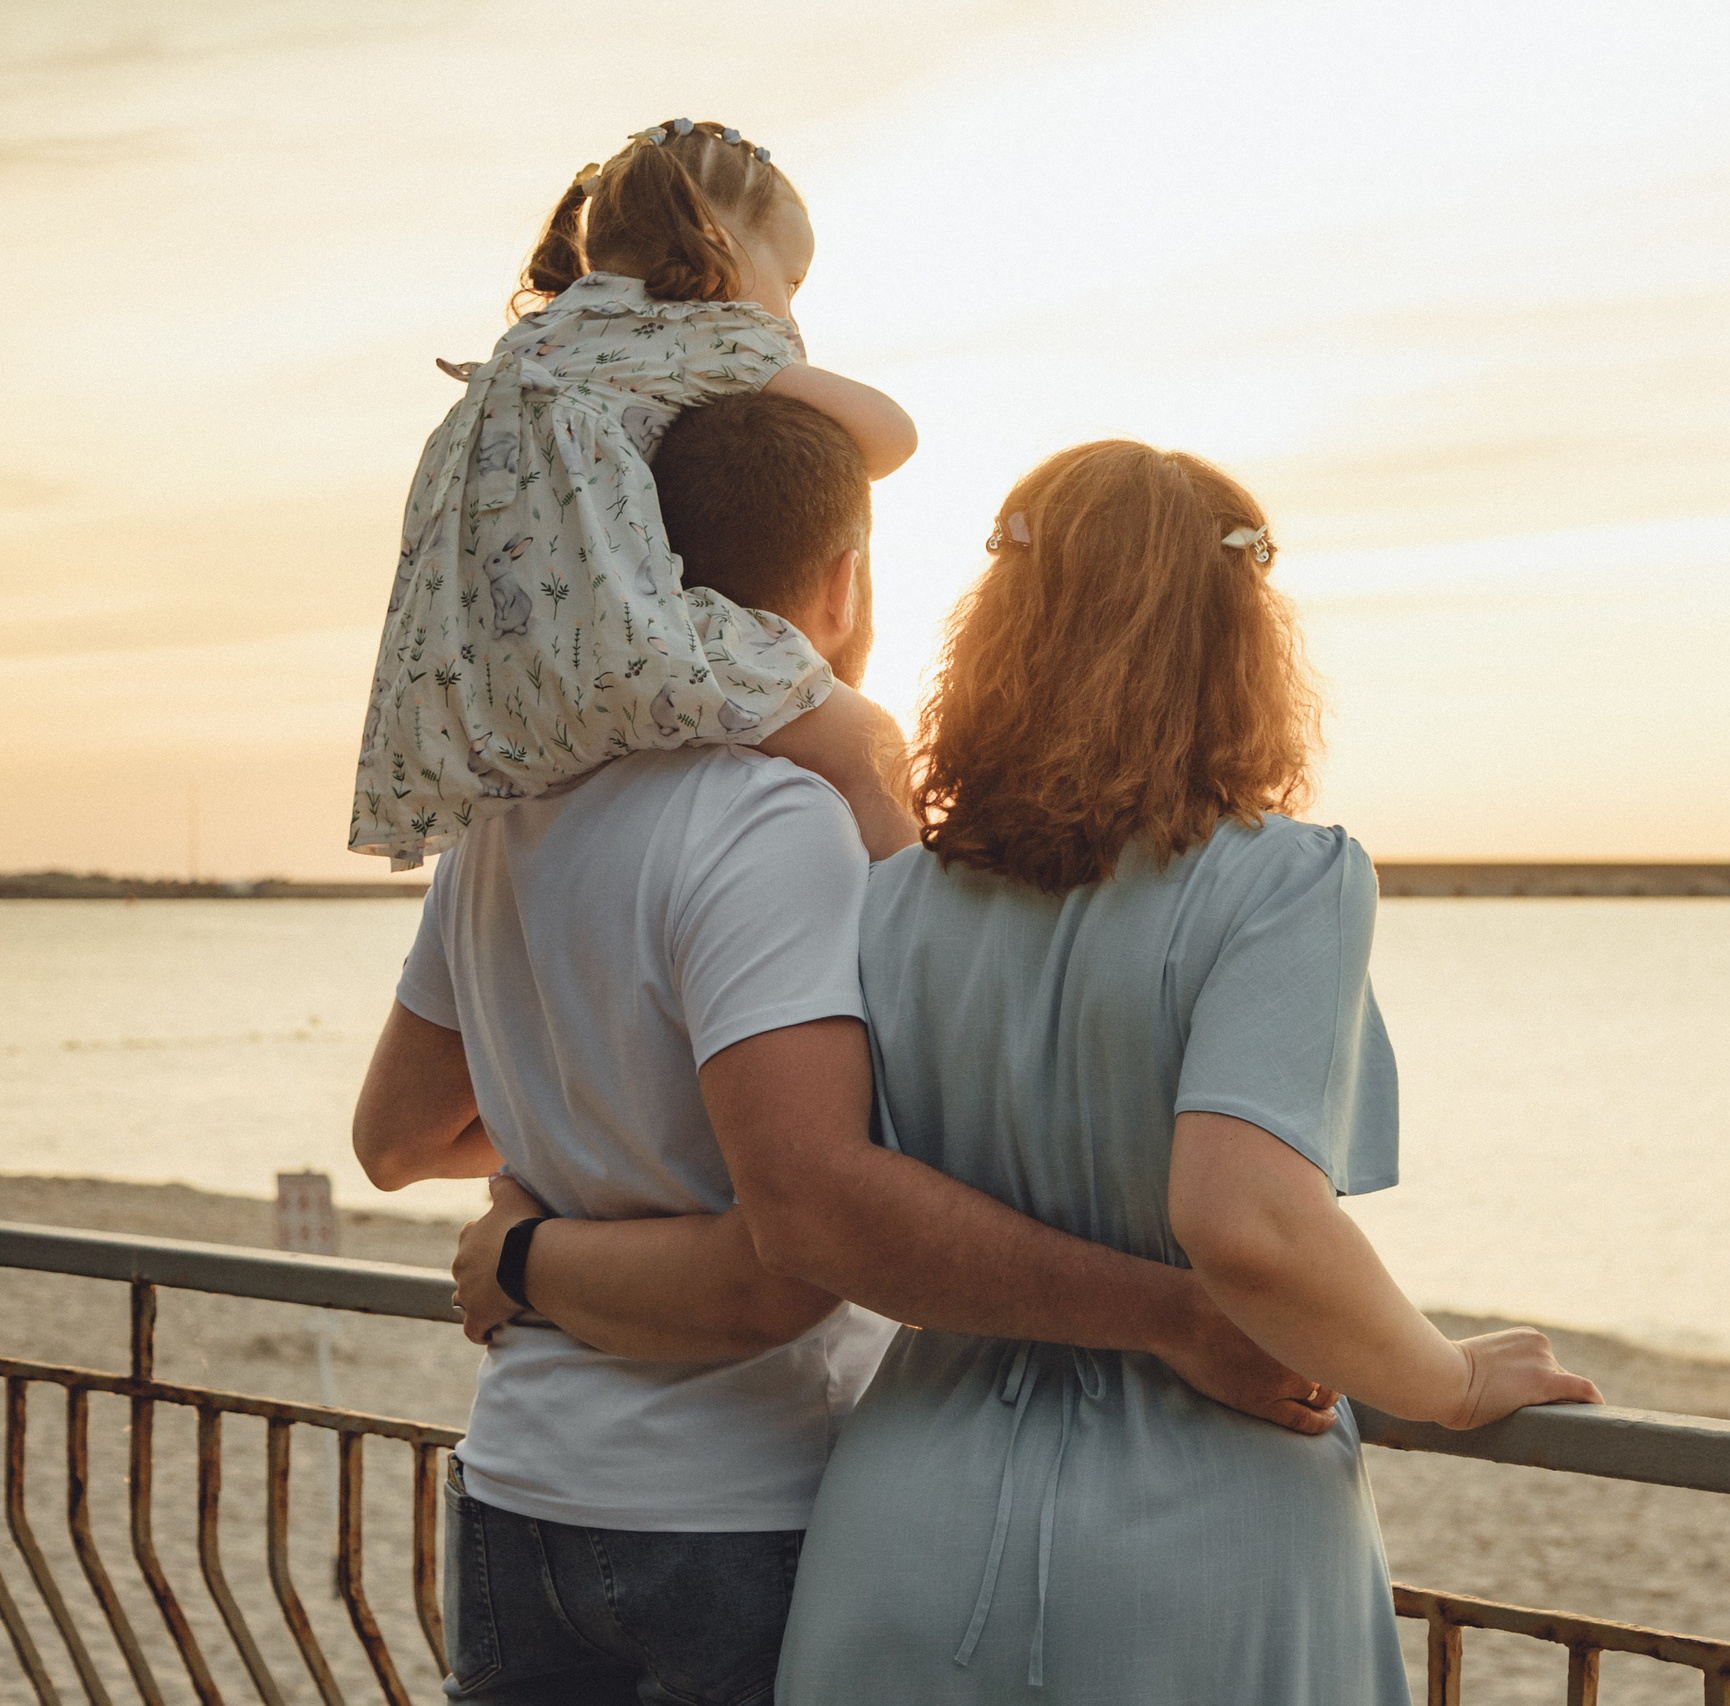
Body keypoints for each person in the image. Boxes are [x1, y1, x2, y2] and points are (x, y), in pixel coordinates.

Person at [482, 439, 1603, 1704]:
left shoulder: (892, 897)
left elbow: (825, 1203)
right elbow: (1249, 1223)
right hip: (1194, 1526)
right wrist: (1449, 1378)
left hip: (904, 1520)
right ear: (1241, 641)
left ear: (1001, 632)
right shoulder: (1287, 882)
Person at [355, 396, 1334, 1706]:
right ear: (843, 581)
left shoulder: (509, 817)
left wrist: (545, 1215)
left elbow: (399, 1136)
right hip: (729, 1503)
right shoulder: (775, 819)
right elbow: (794, 1250)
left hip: (518, 1488)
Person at [352, 116, 918, 871]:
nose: (788, 311)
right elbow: (892, 437)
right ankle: (911, 922)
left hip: (490, 688)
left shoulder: (534, 347)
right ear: (716, 242)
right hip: (622, 650)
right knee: (869, 743)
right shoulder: (705, 332)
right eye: (791, 282)